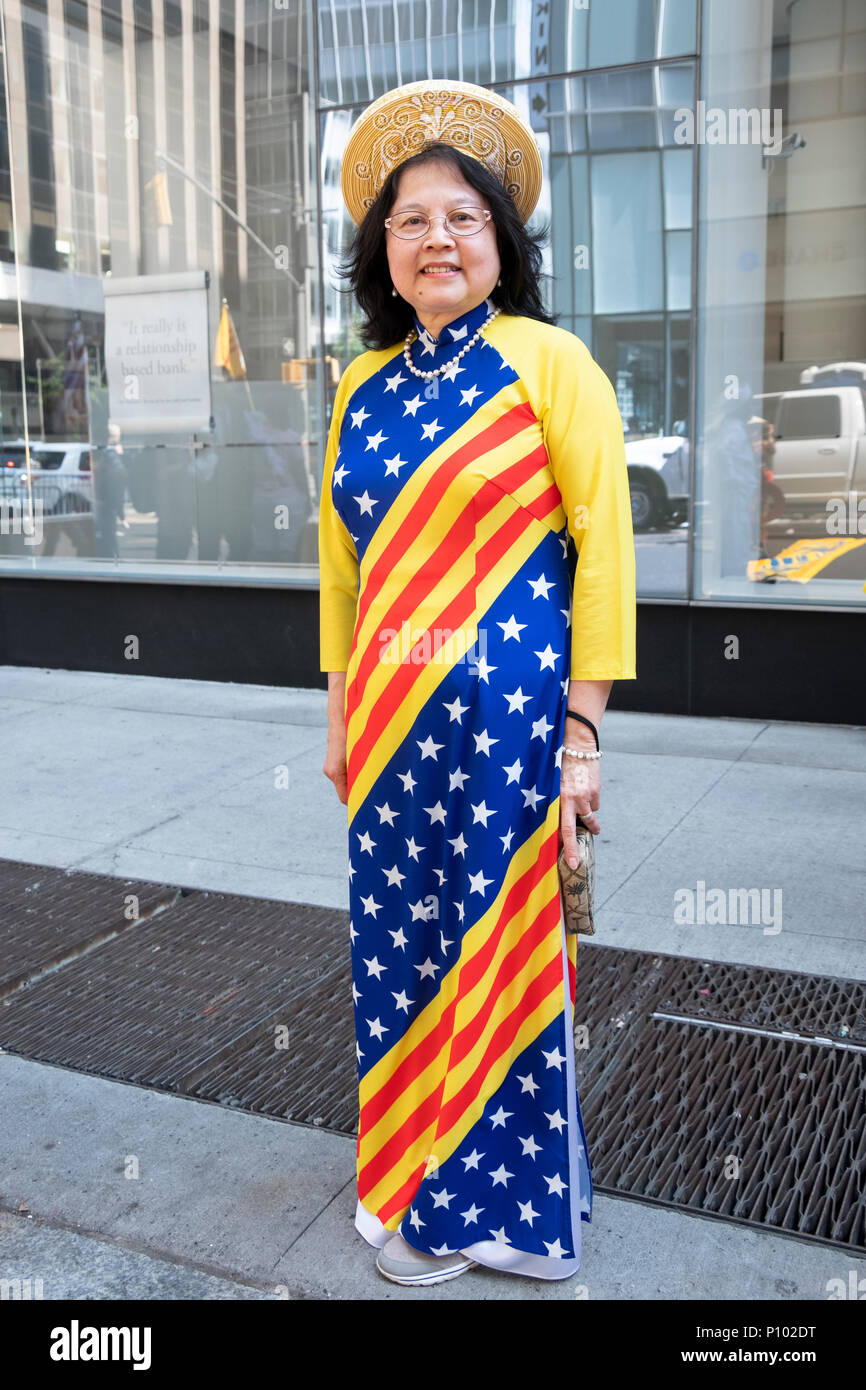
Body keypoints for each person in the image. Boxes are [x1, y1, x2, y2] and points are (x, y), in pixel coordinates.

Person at [318, 80, 636, 1287]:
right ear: (381, 252)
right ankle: (402, 1176)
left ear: (499, 241)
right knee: (397, 949)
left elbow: (602, 552)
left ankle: (499, 1211)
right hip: (389, 730)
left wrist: (581, 732)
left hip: (510, 723)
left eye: (462, 217)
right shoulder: (358, 388)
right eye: (410, 221)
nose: (436, 239)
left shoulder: (550, 364)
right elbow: (339, 577)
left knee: (500, 954)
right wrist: (340, 713)